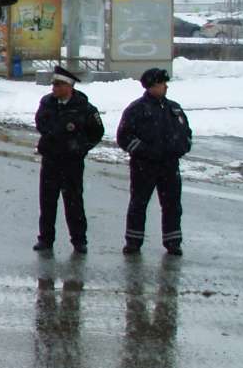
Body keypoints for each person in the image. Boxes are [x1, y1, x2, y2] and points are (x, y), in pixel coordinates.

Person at [117, 67, 191, 255]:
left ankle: (173, 241)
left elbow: (186, 133)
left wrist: (182, 146)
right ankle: (133, 241)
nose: (165, 87)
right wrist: (145, 152)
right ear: (151, 86)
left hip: (169, 165)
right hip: (144, 166)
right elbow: (124, 137)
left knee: (172, 205)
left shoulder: (173, 108)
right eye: (161, 84)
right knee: (139, 204)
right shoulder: (137, 109)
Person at [33, 64, 104, 254]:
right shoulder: (47, 103)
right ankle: (46, 239)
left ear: (69, 86)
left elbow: (97, 131)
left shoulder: (84, 107)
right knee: (47, 202)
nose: (54, 88)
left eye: (58, 85)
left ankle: (79, 240)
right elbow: (41, 123)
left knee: (73, 202)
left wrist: (81, 147)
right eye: (53, 84)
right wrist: (53, 138)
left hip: (72, 162)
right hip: (51, 160)